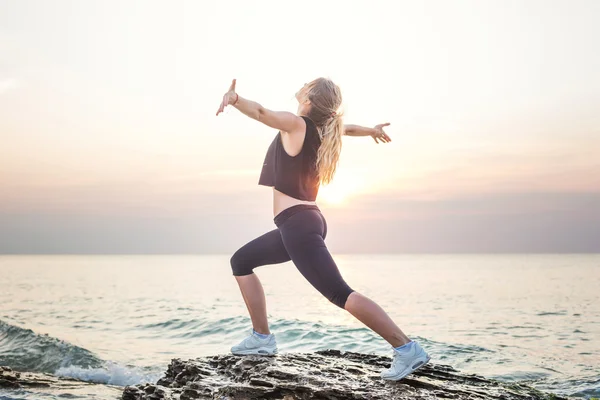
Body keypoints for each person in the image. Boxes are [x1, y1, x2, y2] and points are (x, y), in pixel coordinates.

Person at [215, 77, 430, 381]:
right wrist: (370, 130)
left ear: (310, 99)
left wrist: (235, 100)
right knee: (241, 261)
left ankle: (407, 349)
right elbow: (347, 128)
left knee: (339, 293)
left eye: (307, 84)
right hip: (300, 223)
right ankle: (262, 339)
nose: (301, 84)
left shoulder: (297, 124)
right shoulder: (322, 129)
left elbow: (263, 113)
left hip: (298, 226)